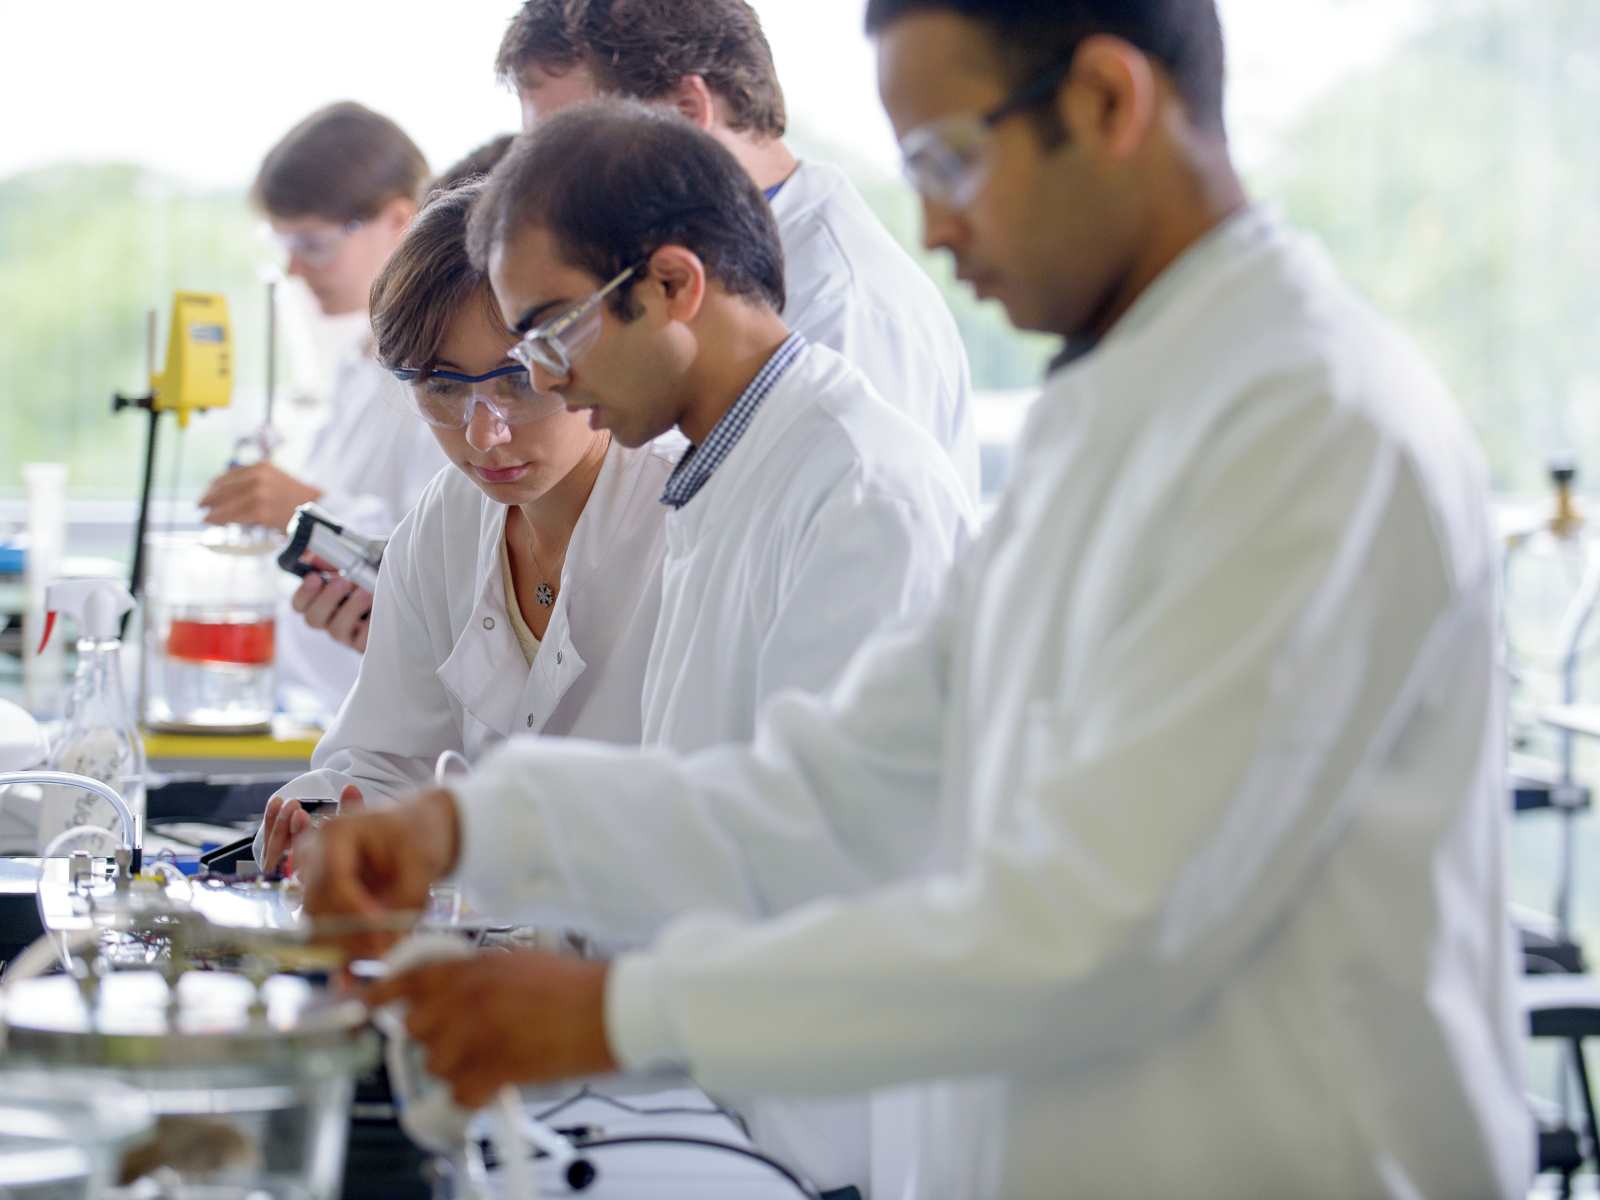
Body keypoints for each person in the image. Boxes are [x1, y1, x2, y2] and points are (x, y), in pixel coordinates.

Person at [305, 0, 1533, 1192]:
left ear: (1107, 100)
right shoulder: (1107, 413)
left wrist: (615, 1012)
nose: (935, 232)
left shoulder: (1306, 423)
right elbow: (843, 778)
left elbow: (1100, 930)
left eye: (948, 161)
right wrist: (473, 828)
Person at [253, 178, 675, 872]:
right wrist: (327, 821)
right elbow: (385, 761)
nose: (483, 434)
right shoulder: (446, 519)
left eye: (519, 381)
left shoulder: (682, 516)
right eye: (442, 387)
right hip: (495, 920)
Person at [497, 0, 982, 500]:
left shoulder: (843, 308)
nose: (550, 195)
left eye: (572, 153)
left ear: (686, 113)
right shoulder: (688, 283)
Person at [198, 102, 448, 717]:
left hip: (419, 724)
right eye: (283, 243)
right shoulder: (358, 364)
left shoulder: (447, 377)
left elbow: (447, 570)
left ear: (398, 220)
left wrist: (300, 507)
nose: (293, 267)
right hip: (330, 709)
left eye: (313, 243)